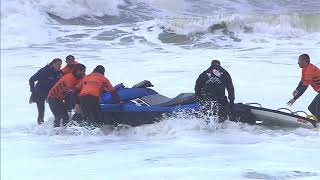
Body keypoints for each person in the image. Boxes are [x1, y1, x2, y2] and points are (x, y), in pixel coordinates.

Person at [29, 58, 63, 124]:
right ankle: (40, 128)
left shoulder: (60, 72)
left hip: (51, 95)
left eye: (60, 65)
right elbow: (31, 79)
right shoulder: (44, 70)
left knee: (56, 110)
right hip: (40, 93)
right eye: (58, 64)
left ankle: (57, 125)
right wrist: (33, 92)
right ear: (52, 64)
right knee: (41, 112)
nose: (59, 66)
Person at [287, 54, 320, 120]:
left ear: (304, 61)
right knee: (311, 108)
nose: (298, 62)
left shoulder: (309, 70)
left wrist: (294, 99)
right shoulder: (305, 69)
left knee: (318, 112)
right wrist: (297, 90)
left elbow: (304, 87)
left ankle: (317, 124)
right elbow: (302, 81)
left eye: (299, 60)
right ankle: (317, 122)